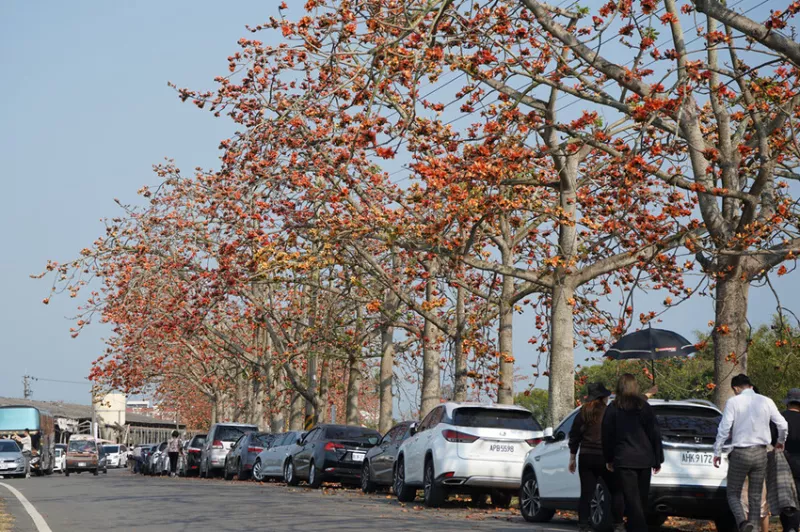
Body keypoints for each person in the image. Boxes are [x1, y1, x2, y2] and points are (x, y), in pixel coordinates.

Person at [714, 374, 788, 532]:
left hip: (741, 453)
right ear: (751, 386)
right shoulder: (766, 401)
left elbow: (724, 428)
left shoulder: (733, 402)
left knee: (733, 492)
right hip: (761, 453)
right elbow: (782, 424)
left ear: (736, 388)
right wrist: (780, 441)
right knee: (756, 496)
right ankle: (753, 529)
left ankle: (742, 522)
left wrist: (717, 451)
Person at [602, 374, 664, 532]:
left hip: (624, 459)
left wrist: (609, 458)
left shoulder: (614, 408)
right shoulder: (644, 407)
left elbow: (607, 434)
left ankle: (637, 527)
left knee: (631, 498)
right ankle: (638, 526)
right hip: (644, 458)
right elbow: (654, 433)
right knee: (641, 499)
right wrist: (658, 459)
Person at [569, 382, 623, 532]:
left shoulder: (583, 412)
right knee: (616, 491)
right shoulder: (610, 412)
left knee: (586, 493)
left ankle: (583, 525)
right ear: (603, 397)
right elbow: (615, 434)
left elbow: (574, 436)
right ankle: (618, 524)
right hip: (605, 456)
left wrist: (572, 457)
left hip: (586, 456)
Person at [775, 388, 800, 532]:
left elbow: (772, 441)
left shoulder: (779, 419)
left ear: (787, 403)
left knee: (786, 498)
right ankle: (795, 526)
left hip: (784, 461)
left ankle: (789, 527)